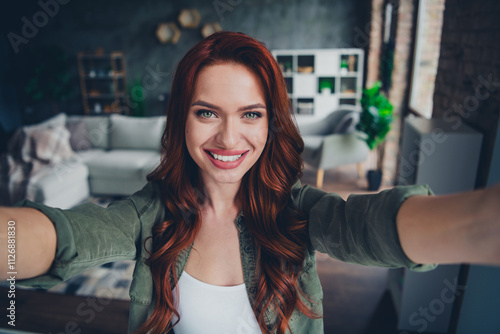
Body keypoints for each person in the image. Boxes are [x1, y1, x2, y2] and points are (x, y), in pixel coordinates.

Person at [1, 31, 499, 334]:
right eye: (206, 113)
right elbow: (64, 236)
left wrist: (480, 224)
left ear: (270, 122)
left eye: (251, 114)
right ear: (180, 120)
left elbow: (370, 227)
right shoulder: (148, 214)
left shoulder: (300, 212)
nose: (228, 136)